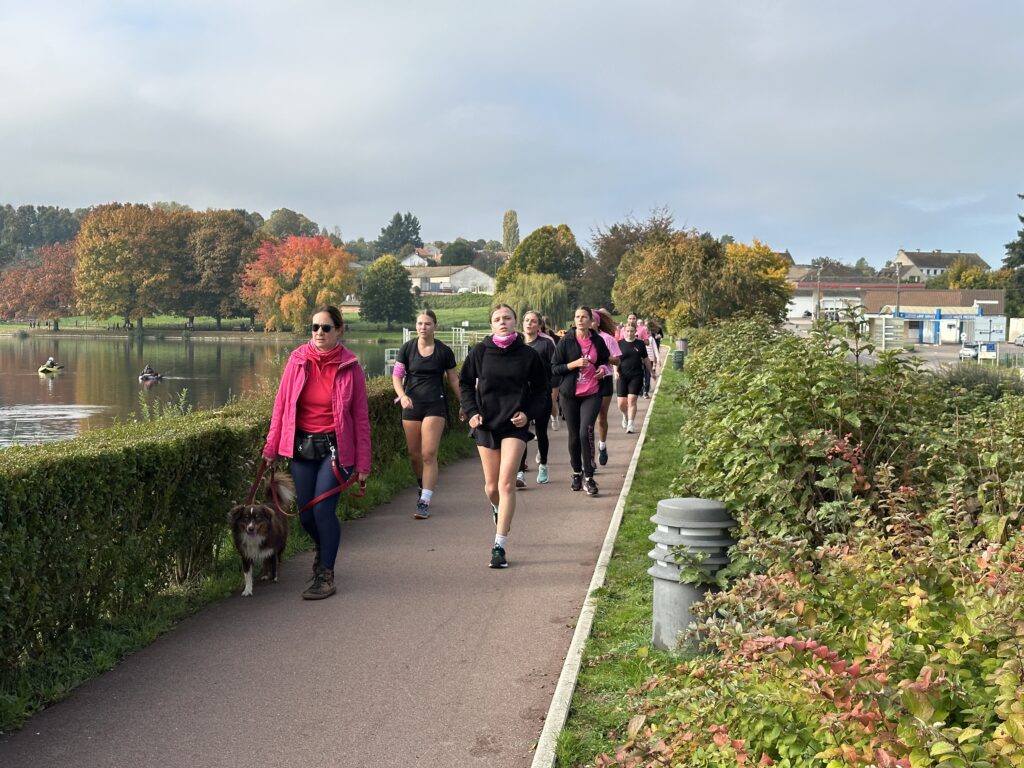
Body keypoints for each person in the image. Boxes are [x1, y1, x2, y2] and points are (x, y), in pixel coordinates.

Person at [261, 305, 371, 599]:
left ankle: (325, 573)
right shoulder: (297, 361)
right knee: (307, 516)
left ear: (339, 331)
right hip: (302, 447)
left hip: (336, 449)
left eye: (326, 328)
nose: (319, 333)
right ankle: (324, 548)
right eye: (314, 327)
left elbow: (360, 418)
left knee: (323, 510)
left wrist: (363, 463)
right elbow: (281, 406)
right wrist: (271, 447)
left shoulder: (351, 367)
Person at [459, 304, 549, 568]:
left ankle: (499, 546)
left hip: (514, 425)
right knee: (491, 487)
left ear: (515, 322)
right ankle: (499, 512)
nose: (503, 322)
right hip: (486, 424)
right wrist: (472, 412)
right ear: (491, 324)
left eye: (507, 318)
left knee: (506, 484)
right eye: (497, 319)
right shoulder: (479, 352)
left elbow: (542, 391)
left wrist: (528, 413)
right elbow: (465, 383)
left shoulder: (528, 355)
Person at [392, 309, 461, 519]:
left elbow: (453, 380)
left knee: (428, 454)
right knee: (414, 455)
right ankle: (422, 486)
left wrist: (465, 404)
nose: (423, 327)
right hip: (411, 405)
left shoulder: (444, 351)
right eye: (420, 323)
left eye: (428, 324)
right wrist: (402, 395)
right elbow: (396, 376)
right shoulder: (407, 348)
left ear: (435, 327)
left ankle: (425, 501)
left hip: (435, 406)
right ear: (416, 326)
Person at [551, 306, 611, 497]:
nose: (580, 320)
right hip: (570, 395)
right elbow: (555, 368)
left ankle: (589, 475)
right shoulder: (566, 341)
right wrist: (573, 364)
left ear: (590, 320)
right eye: (577, 317)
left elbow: (604, 361)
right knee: (574, 436)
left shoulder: (597, 340)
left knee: (586, 431)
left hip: (592, 393)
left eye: (584, 317)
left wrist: (602, 369)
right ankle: (577, 472)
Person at [518, 310, 556, 486]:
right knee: (521, 432)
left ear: (539, 325)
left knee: (541, 432)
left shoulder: (546, 344)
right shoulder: (517, 343)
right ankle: (519, 471)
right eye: (526, 320)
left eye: (533, 321)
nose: (529, 324)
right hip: (521, 395)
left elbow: (555, 369)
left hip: (541, 395)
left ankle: (543, 465)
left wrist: (551, 390)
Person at [592, 308, 622, 468]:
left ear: (597, 323)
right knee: (587, 420)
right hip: (586, 381)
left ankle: (602, 446)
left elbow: (617, 361)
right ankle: (590, 458)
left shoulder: (607, 339)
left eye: (589, 319)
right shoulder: (578, 339)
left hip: (604, 380)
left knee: (601, 417)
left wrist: (604, 357)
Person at [616, 322, 652, 433]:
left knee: (632, 400)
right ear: (624, 331)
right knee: (621, 403)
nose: (629, 333)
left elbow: (645, 359)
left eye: (632, 331)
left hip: (636, 375)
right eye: (627, 331)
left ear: (635, 331)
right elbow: (615, 359)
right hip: (622, 375)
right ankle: (625, 416)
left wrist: (651, 372)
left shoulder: (640, 344)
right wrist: (615, 371)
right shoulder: (619, 343)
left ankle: (631, 424)